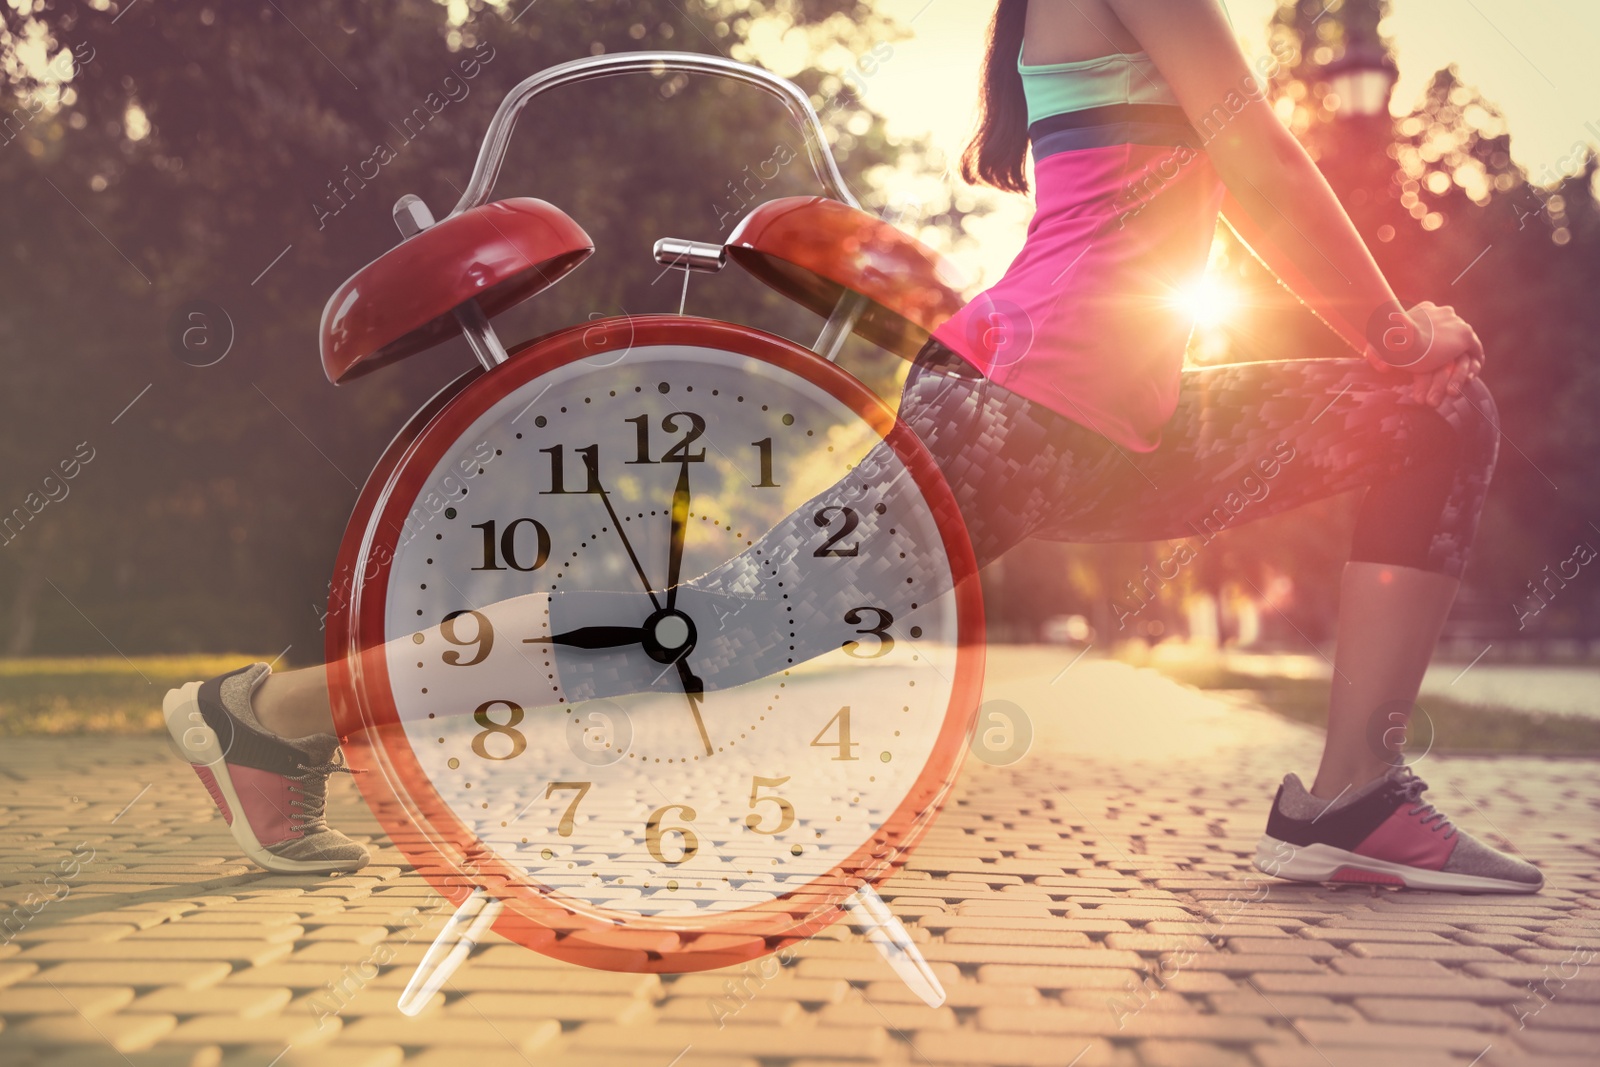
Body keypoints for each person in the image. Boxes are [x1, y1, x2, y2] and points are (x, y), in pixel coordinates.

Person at [165, 0, 1541, 893]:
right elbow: (1262, 168)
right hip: (1017, 416)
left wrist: (1386, 353)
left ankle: (1358, 783)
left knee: (1434, 416)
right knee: (695, 638)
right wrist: (1388, 326)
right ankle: (265, 719)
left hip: (1122, 421)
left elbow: (1209, 194)